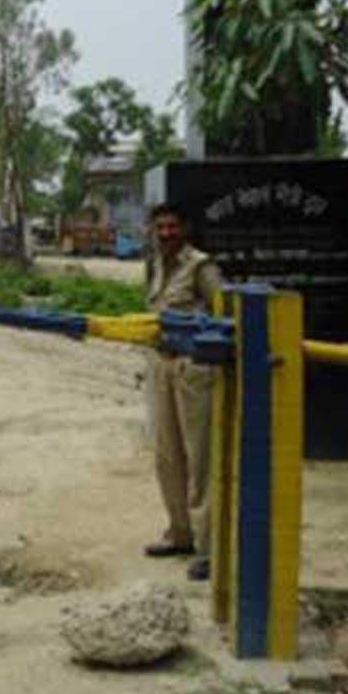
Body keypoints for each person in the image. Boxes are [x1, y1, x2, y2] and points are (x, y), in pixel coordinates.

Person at [142, 202, 223, 582]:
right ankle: (180, 534)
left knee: (200, 457)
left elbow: (223, 313)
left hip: (193, 370)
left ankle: (209, 548)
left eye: (172, 227)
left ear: (185, 229)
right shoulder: (156, 265)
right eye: (160, 227)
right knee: (167, 455)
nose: (166, 233)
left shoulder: (201, 267)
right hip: (161, 365)